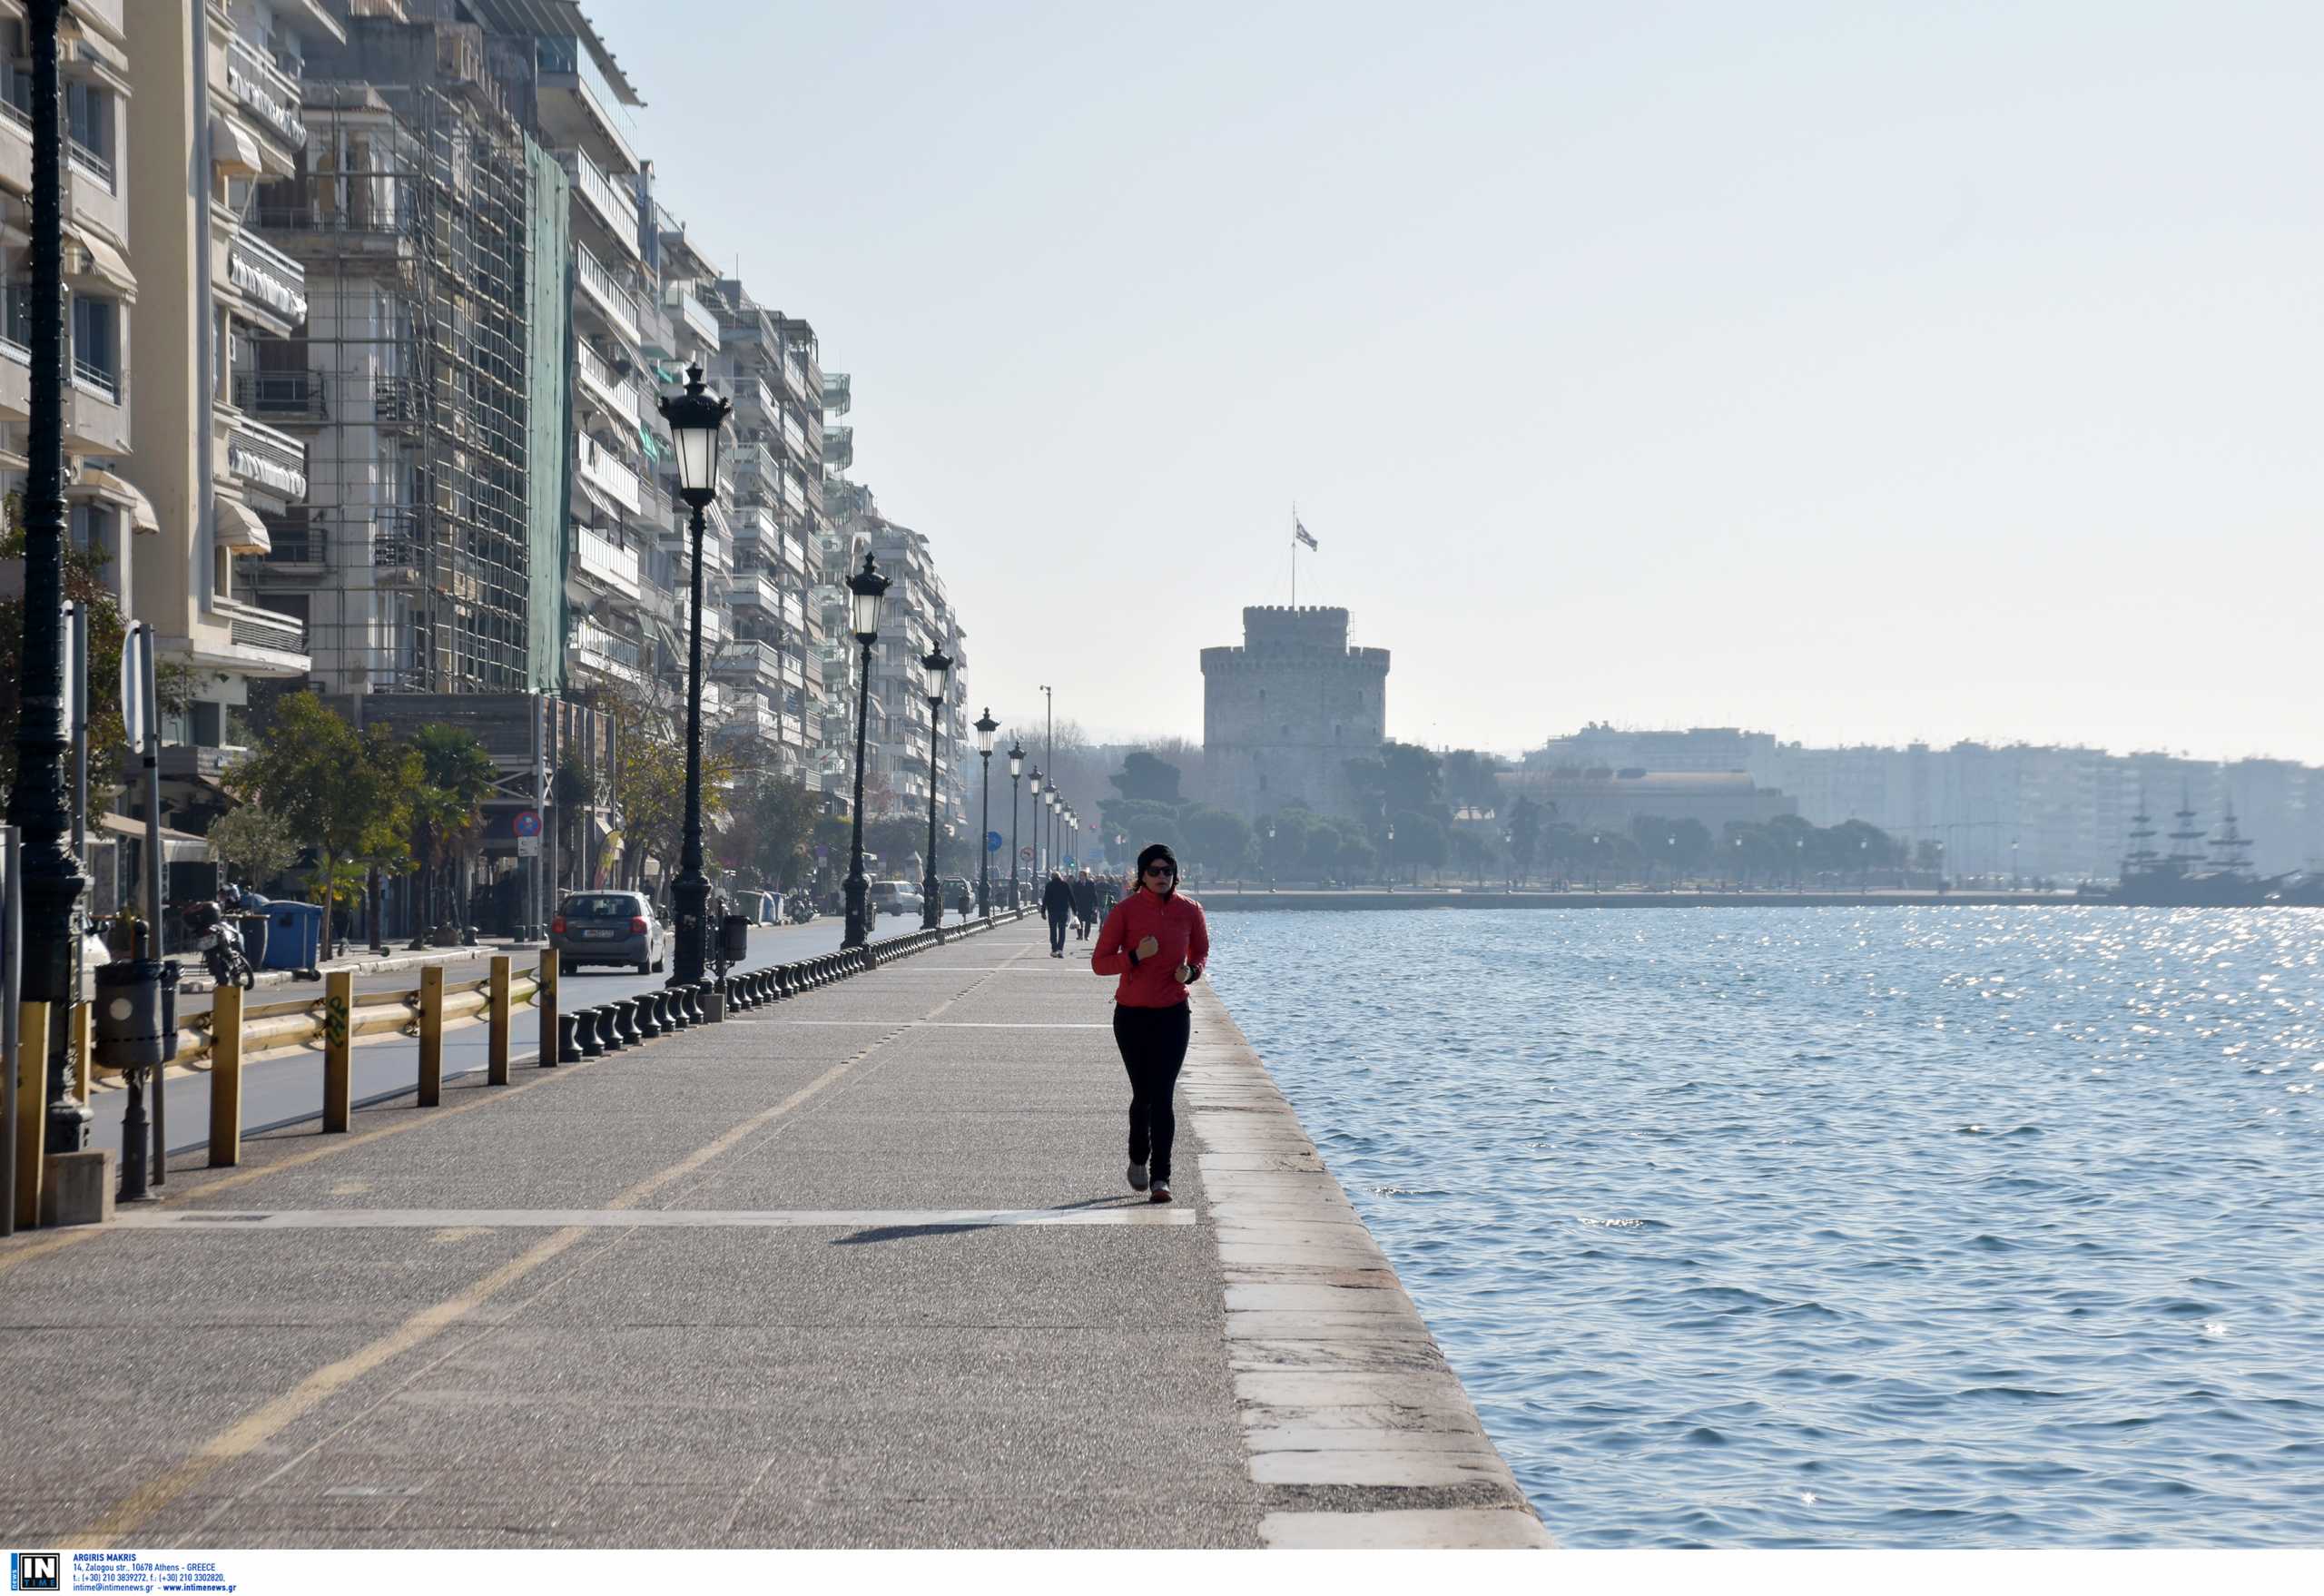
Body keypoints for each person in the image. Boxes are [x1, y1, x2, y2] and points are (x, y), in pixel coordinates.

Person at [1089, 842, 1208, 1204]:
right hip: (1132, 1015)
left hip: (1173, 1013)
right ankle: (1138, 1156)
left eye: (1167, 871)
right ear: (1141, 875)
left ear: (1175, 875)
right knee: (1143, 1095)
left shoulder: (1190, 910)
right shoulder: (1125, 912)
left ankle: (1162, 1178)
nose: (1161, 877)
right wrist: (1136, 956)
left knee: (1163, 1096)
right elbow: (1100, 963)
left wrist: (1191, 972)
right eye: (1154, 871)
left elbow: (1201, 952)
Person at [1041, 869, 1074, 958]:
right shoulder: (1065, 885)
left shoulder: (1049, 885)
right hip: (1063, 911)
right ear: (1060, 877)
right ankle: (1060, 949)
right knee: (1062, 930)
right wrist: (1075, 910)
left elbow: (1046, 899)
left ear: (1052, 877)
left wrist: (1043, 911)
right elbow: (1071, 898)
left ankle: (1054, 949)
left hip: (1052, 911)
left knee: (1053, 931)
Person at [1070, 867, 1098, 941]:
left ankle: (1086, 936)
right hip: (1079, 905)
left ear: (1085, 876)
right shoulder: (1076, 884)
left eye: (1082, 875)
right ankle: (1080, 935)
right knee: (1079, 921)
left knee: (1088, 921)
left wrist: (1095, 905)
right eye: (1079, 875)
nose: (1080, 877)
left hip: (1088, 905)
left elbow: (1093, 894)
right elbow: (1073, 895)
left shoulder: (1090, 883)